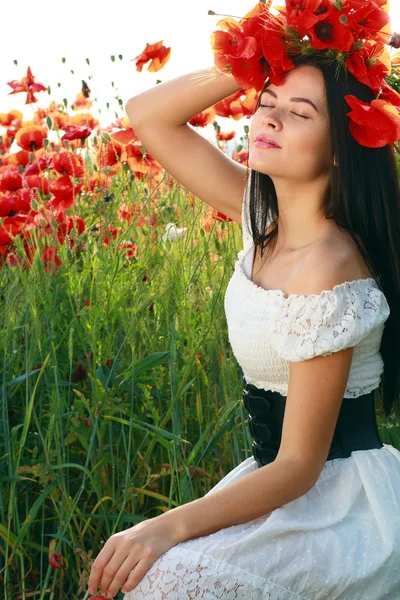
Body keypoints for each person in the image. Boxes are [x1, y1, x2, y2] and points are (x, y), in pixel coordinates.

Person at [87, 3, 400, 599]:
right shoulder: (261, 219)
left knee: (168, 577)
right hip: (276, 483)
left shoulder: (328, 265)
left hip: (336, 503)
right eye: (266, 104)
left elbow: (299, 464)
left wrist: (165, 525)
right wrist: (263, 54)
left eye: (299, 112)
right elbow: (147, 116)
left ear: (341, 147)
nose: (271, 119)